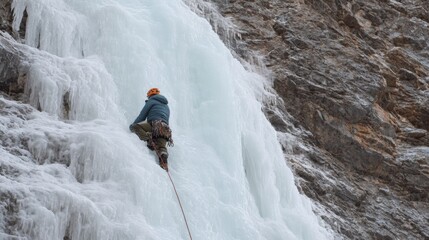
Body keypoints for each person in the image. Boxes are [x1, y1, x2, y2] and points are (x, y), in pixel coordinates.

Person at [129, 88, 173, 171]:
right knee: (162, 148)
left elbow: (142, 116)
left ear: (149, 96)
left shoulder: (151, 101)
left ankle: (150, 140)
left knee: (136, 127)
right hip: (165, 129)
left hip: (155, 124)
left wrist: (132, 125)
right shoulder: (166, 106)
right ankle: (164, 163)